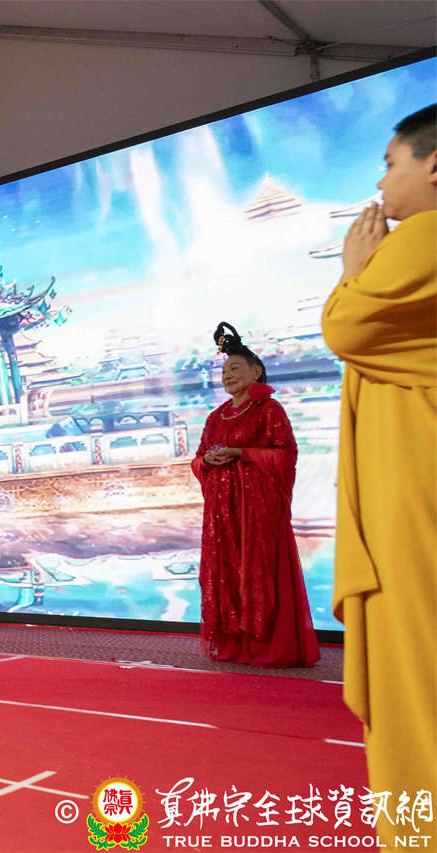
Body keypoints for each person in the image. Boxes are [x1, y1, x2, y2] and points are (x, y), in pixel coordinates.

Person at [322, 103, 435, 835]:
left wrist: (353, 271)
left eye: (392, 164)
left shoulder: (423, 238)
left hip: (415, 489)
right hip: (411, 474)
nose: (381, 182)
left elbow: (349, 326)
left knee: (417, 682)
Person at [190, 323, 319, 667]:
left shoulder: (269, 409)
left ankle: (265, 645)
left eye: (235, 368)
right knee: (225, 572)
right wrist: (208, 461)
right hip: (222, 511)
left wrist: (241, 453)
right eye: (224, 371)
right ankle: (234, 642)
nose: (228, 376)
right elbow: (198, 458)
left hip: (258, 510)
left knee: (259, 571)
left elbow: (286, 455)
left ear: (256, 371)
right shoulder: (215, 417)